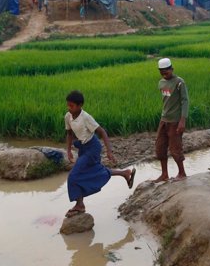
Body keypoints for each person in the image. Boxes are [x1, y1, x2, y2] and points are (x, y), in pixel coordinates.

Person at [64, 90, 136, 218]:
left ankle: (79, 205)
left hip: (92, 148)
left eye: (72, 106)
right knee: (96, 170)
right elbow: (69, 134)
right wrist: (68, 150)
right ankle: (125, 173)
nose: (69, 108)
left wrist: (109, 151)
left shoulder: (86, 117)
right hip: (83, 148)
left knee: (73, 176)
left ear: (80, 105)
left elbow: (102, 132)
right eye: (68, 105)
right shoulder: (68, 117)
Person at [153, 58, 189, 182]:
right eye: (161, 71)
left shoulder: (179, 82)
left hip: (175, 121)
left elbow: (185, 101)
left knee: (175, 148)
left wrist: (182, 120)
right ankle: (164, 174)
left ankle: (182, 173)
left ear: (172, 69)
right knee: (160, 147)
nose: (164, 73)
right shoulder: (161, 83)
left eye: (166, 71)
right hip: (164, 120)